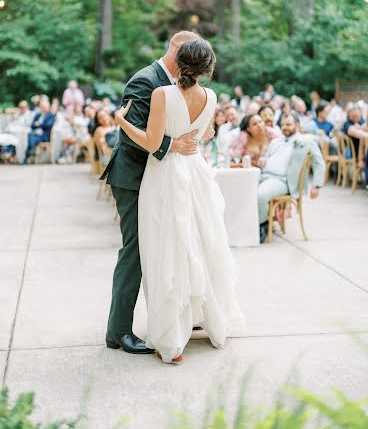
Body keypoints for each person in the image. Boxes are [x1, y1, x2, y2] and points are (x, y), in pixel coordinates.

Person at [113, 38, 244, 363]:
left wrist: (121, 122)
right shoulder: (211, 96)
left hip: (166, 175)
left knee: (167, 251)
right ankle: (199, 318)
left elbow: (151, 140)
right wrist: (191, 138)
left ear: (178, 59)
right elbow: (205, 134)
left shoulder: (163, 93)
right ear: (208, 69)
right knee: (198, 244)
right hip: (197, 172)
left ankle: (173, 330)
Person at [101, 31, 216, 356]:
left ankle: (179, 314)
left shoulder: (184, 86)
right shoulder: (145, 80)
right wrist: (171, 144)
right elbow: (136, 136)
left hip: (165, 176)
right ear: (176, 50)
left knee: (173, 244)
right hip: (134, 176)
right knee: (136, 249)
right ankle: (118, 330)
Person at [256, 112, 325, 242]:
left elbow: (319, 162)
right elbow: (268, 158)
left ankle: (262, 223)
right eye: (282, 125)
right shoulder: (275, 141)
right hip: (262, 175)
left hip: (282, 181)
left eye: (288, 124)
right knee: (240, 190)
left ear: (297, 125)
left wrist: (317, 185)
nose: (285, 127)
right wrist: (263, 160)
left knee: (259, 195)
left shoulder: (306, 141)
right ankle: (243, 226)